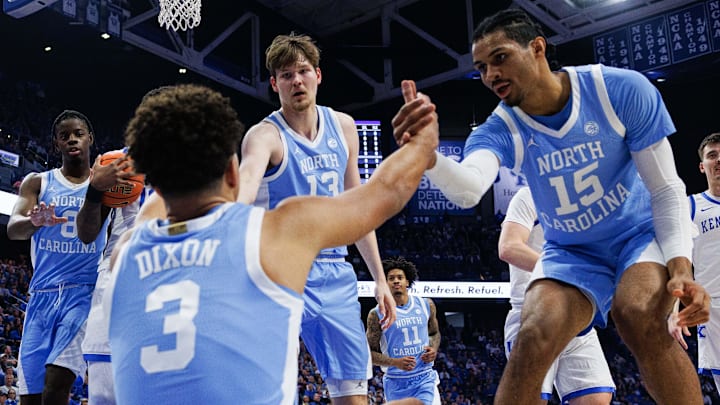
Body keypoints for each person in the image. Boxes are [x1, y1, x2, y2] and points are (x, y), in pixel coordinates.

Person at [391, 8, 710, 404]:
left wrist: (680, 264)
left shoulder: (620, 90)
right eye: (482, 67)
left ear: (537, 48)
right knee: (533, 333)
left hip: (636, 236)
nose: (490, 75)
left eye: (500, 58)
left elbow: (665, 189)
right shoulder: (501, 127)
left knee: (638, 315)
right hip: (571, 251)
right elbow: (469, 190)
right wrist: (430, 157)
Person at [102, 83, 435, 404]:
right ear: (233, 172)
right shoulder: (271, 236)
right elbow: (386, 192)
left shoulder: (124, 254)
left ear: (153, 183)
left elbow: (157, 209)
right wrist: (423, 140)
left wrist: (157, 157)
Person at [236, 32, 395, 404]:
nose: (297, 81)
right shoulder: (264, 136)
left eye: (303, 71)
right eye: (286, 75)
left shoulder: (343, 127)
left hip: (335, 272)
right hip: (280, 272)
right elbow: (244, 186)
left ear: (318, 75)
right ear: (274, 84)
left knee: (353, 394)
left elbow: (357, 210)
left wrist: (380, 280)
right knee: (272, 390)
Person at [6, 110, 108, 405]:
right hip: (40, 295)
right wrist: (34, 222)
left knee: (57, 382)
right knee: (31, 397)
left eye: (78, 133)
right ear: (55, 145)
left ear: (90, 138)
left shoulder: (102, 182)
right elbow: (14, 230)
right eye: (65, 136)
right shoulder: (37, 182)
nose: (72, 139)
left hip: (82, 294)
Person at [76, 88, 165, 405]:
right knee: (105, 396)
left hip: (170, 290)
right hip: (116, 283)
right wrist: (94, 192)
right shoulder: (114, 164)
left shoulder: (198, 174)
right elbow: (86, 234)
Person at [498, 186, 615, 404]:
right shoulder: (530, 195)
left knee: (596, 398)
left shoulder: (592, 203)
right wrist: (563, 270)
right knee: (531, 399)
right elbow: (508, 247)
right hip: (534, 315)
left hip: (578, 318)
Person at [366, 257, 441, 405]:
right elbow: (369, 354)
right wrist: (394, 362)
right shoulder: (376, 314)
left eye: (400, 277)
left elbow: (434, 333)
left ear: (407, 281)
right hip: (396, 382)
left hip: (424, 378)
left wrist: (433, 348)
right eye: (391, 278)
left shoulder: (426, 304)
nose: (396, 281)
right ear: (385, 283)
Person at [688, 132, 720, 394]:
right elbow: (677, 262)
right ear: (702, 166)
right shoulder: (691, 207)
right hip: (716, 315)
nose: (718, 160)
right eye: (712, 155)